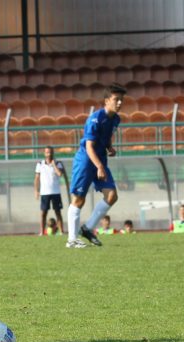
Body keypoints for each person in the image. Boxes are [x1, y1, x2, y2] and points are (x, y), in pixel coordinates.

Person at [65, 83, 127, 248]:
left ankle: (87, 229)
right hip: (86, 161)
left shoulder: (116, 119)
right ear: (107, 101)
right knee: (78, 199)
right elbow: (89, 146)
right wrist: (99, 166)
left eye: (122, 100)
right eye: (116, 100)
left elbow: (105, 137)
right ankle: (71, 239)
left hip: (100, 160)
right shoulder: (95, 118)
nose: (120, 103)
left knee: (112, 196)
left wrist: (109, 147)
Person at [34, 146, 65, 236]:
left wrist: (54, 165)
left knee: (58, 212)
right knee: (43, 212)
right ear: (44, 153)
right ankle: (41, 232)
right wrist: (36, 190)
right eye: (47, 152)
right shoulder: (40, 164)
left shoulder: (58, 163)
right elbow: (36, 178)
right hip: (44, 192)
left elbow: (60, 174)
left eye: (50, 152)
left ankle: (61, 231)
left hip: (56, 192)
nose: (49, 154)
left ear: (53, 153)